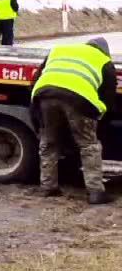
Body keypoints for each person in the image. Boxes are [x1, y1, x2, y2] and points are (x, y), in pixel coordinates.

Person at [31, 37, 116, 205]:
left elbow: (37, 78)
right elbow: (108, 96)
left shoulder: (59, 50)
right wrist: (99, 118)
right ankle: (95, 192)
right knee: (89, 146)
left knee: (49, 143)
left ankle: (48, 187)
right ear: (104, 50)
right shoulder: (104, 60)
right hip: (79, 100)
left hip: (45, 94)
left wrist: (35, 108)